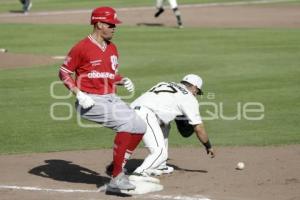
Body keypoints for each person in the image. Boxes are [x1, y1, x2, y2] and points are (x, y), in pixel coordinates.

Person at [58, 6, 146, 191]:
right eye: (111, 24)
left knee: (139, 126)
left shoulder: (112, 48)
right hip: (90, 101)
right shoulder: (82, 47)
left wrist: (122, 79)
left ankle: (118, 168)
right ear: (99, 24)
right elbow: (64, 72)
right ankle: (116, 178)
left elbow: (107, 74)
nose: (114, 27)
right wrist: (78, 94)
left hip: (110, 97)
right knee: (125, 125)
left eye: (115, 24)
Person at [128, 74, 215, 177]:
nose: (196, 94)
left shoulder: (165, 83)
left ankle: (160, 165)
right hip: (145, 115)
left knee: (165, 124)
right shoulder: (189, 98)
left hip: (129, 111)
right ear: (194, 87)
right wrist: (208, 146)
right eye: (197, 92)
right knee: (160, 153)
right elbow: (199, 128)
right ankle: (139, 174)